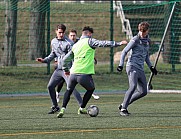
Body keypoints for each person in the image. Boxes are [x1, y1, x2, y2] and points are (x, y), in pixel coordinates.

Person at [57, 26, 127, 118]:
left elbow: (65, 59)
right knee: (90, 89)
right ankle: (82, 108)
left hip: (73, 73)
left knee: (69, 90)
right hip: (84, 74)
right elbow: (103, 43)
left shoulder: (75, 45)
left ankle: (63, 109)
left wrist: (66, 70)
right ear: (89, 34)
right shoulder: (89, 41)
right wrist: (118, 43)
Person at [36, 24, 82, 114]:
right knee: (50, 86)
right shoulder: (53, 42)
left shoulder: (69, 43)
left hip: (67, 70)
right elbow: (53, 54)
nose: (61, 34)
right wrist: (44, 60)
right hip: (58, 70)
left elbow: (73, 57)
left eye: (63, 33)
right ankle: (55, 106)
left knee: (71, 88)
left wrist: (72, 69)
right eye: (59, 32)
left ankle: (82, 106)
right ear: (56, 31)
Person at [117, 21, 158, 116]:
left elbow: (146, 56)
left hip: (140, 68)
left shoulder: (147, 41)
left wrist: (151, 66)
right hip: (132, 66)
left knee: (143, 91)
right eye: (140, 31)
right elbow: (124, 51)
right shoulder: (135, 40)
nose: (141, 33)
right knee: (133, 87)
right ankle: (123, 109)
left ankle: (124, 104)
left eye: (144, 31)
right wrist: (120, 65)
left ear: (147, 31)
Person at [56, 29, 100, 101]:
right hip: (67, 65)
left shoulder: (79, 42)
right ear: (69, 36)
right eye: (71, 35)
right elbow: (60, 52)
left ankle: (91, 93)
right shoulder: (66, 43)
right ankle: (57, 93)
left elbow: (86, 50)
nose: (73, 37)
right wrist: (57, 61)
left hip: (76, 66)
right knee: (62, 81)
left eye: (74, 35)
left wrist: (93, 58)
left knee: (82, 78)